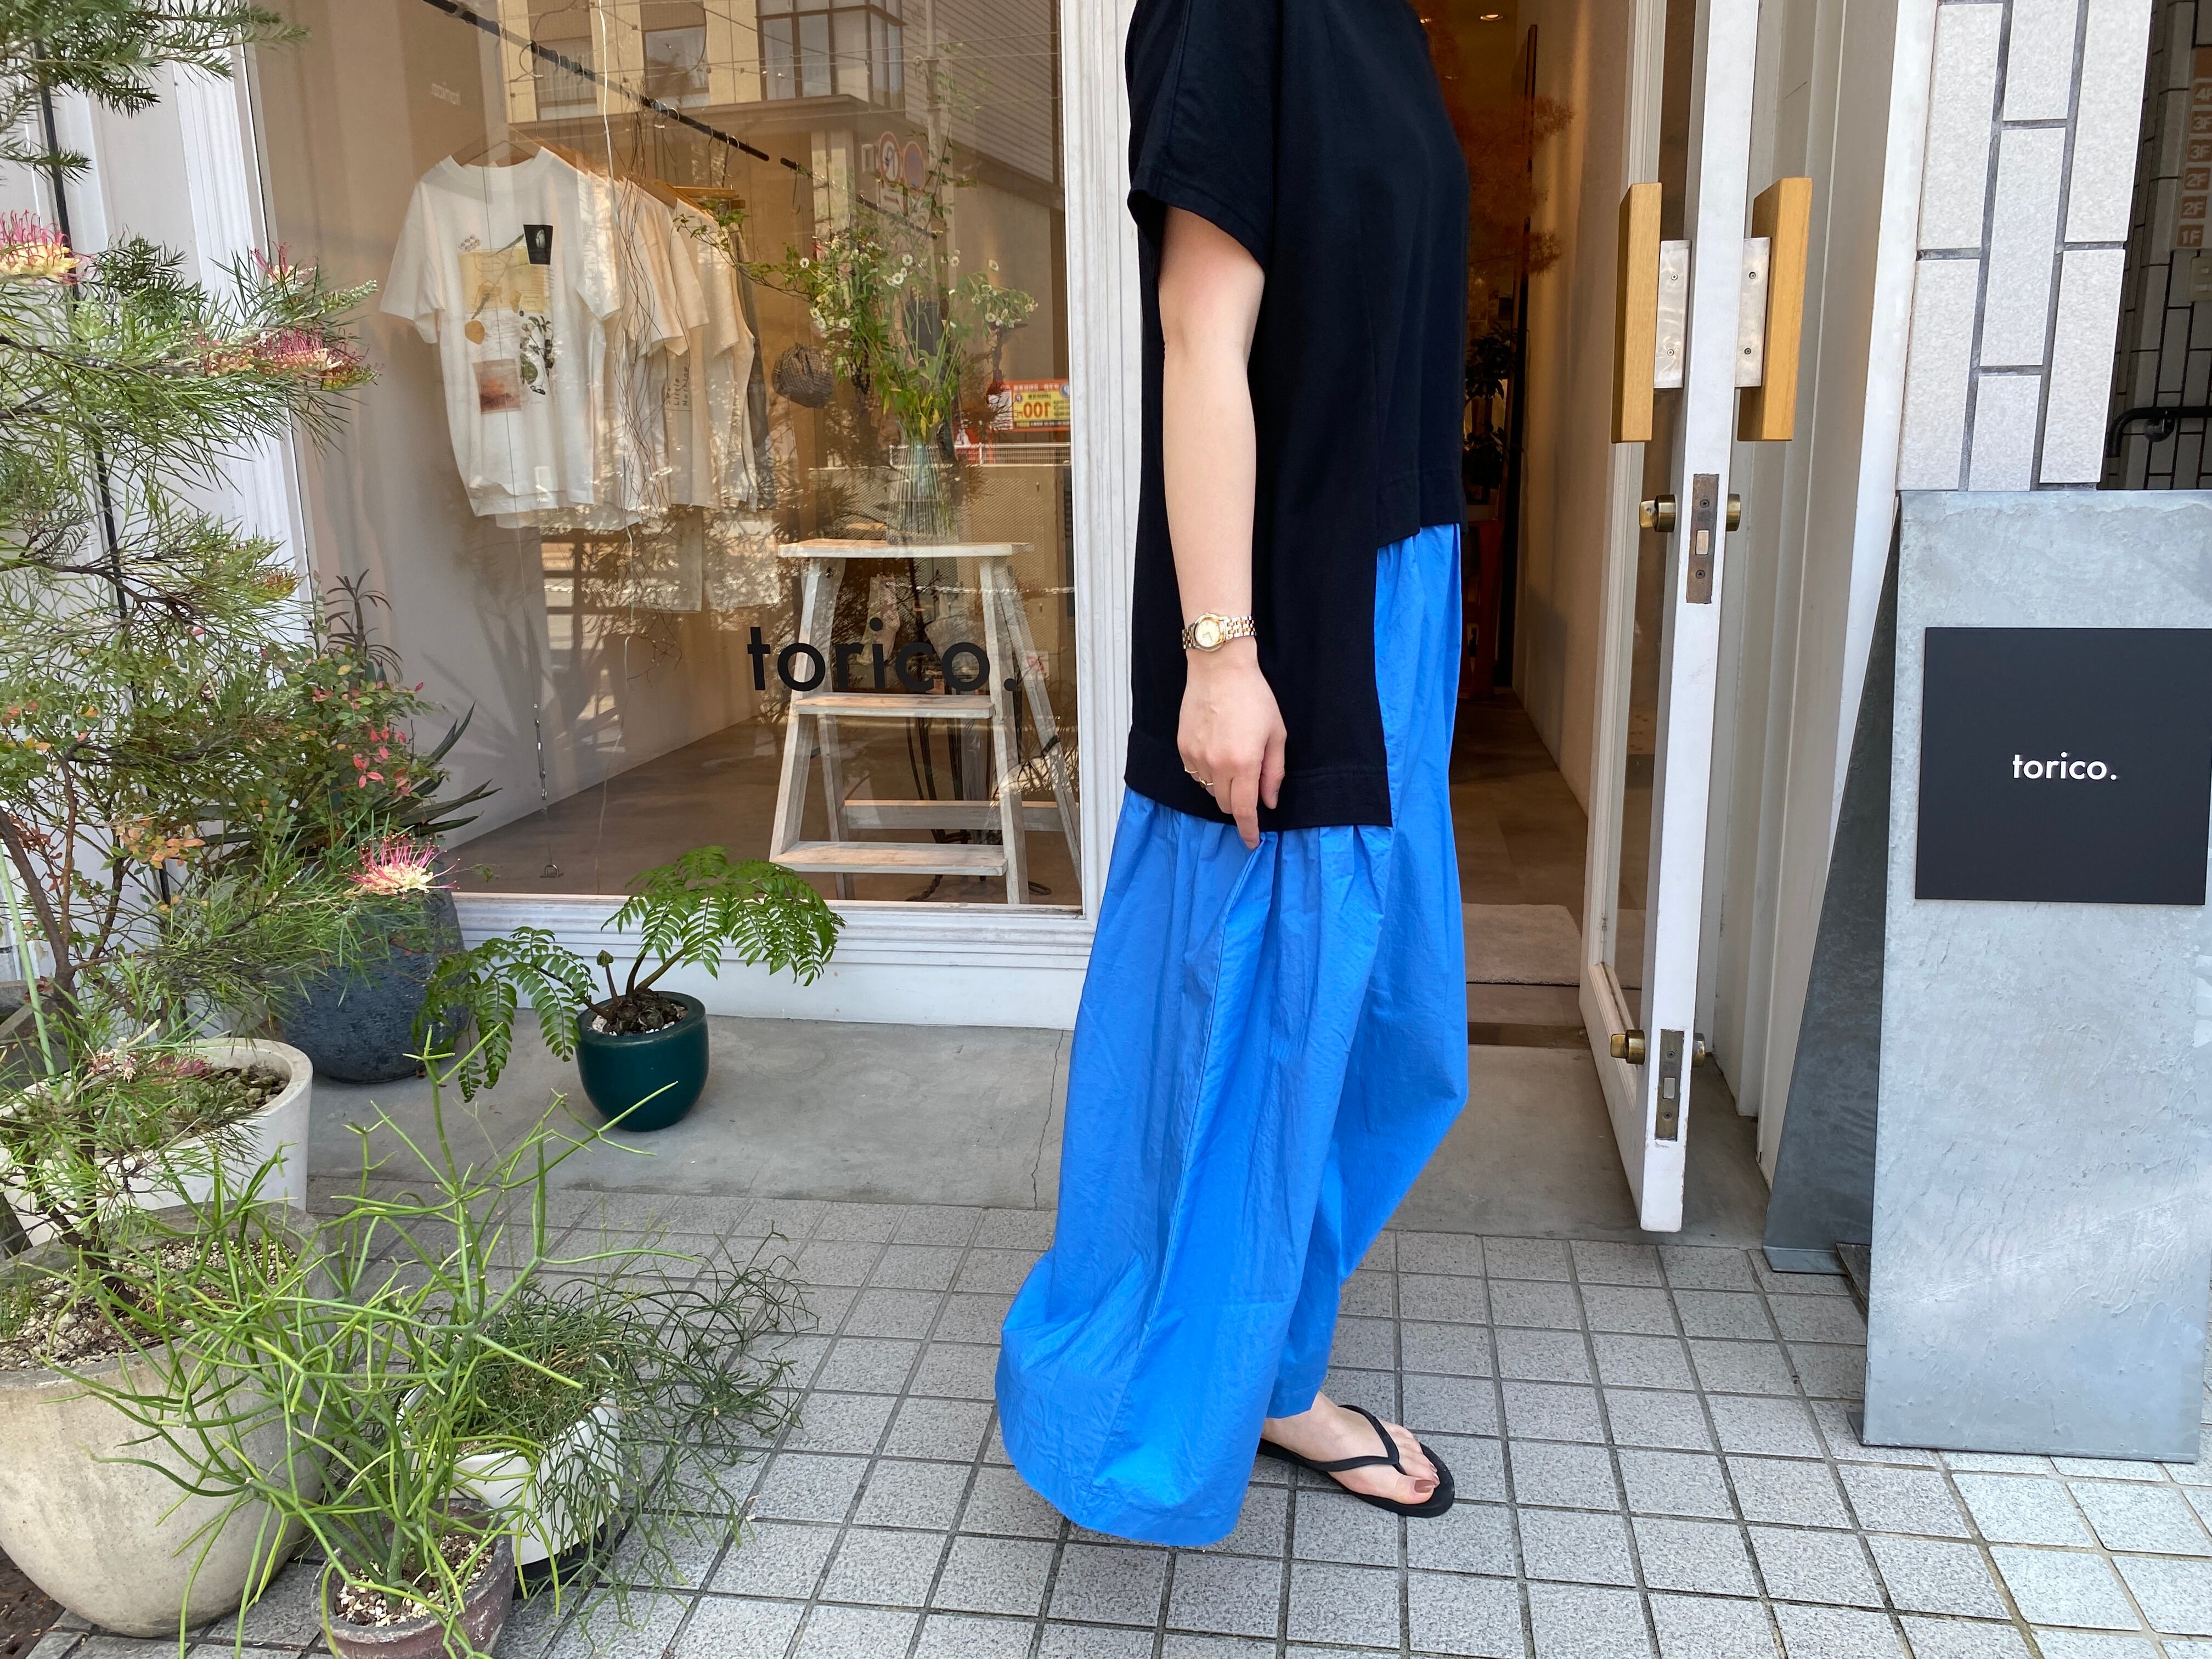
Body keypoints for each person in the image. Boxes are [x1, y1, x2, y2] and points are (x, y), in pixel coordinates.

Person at [993, 0, 1473, 1547]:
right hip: (1297, 611)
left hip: (1395, 594)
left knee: (1379, 1042)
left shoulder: (1391, 28)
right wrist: (1219, 653)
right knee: (1241, 1043)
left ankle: (1265, 1362)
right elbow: (1203, 334)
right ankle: (1148, 1405)